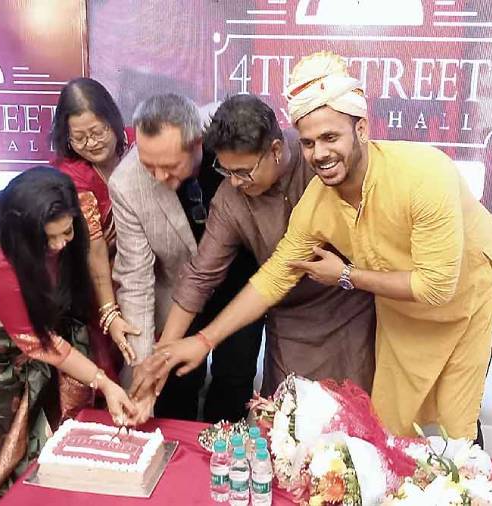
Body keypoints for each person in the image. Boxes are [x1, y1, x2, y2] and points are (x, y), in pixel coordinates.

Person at [141, 52, 492, 441]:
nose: (319, 153)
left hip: (464, 301)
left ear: (362, 128)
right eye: (308, 142)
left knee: (456, 430)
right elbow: (274, 276)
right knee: (391, 427)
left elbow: (437, 286)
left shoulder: (425, 174)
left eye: (330, 137)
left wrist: (345, 275)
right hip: (403, 312)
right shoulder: (317, 202)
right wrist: (202, 340)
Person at [130, 94, 376, 405]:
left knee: (352, 418)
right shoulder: (231, 197)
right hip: (288, 321)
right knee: (289, 418)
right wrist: (162, 358)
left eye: (243, 172)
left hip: (349, 310)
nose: (233, 182)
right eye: (225, 170)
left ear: (275, 150)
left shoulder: (318, 161)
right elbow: (200, 275)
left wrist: (348, 274)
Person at [0, 166, 137, 505]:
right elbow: (39, 343)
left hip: (7, 317)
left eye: (66, 233)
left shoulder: (72, 206)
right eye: (47, 239)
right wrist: (105, 383)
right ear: (21, 228)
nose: (58, 245)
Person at [108, 93, 265, 423]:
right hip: (178, 292)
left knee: (234, 379)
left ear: (197, 143)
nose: (158, 177)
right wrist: (144, 368)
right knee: (176, 386)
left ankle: (219, 459)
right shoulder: (126, 184)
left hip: (240, 284)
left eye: (169, 166)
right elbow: (135, 279)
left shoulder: (231, 142)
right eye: (148, 165)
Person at [50, 78, 140, 418]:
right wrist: (109, 312)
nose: (92, 143)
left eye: (99, 131)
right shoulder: (73, 177)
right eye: (80, 137)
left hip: (135, 272)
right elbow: (95, 252)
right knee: (99, 366)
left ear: (113, 121)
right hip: (87, 286)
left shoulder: (136, 145)